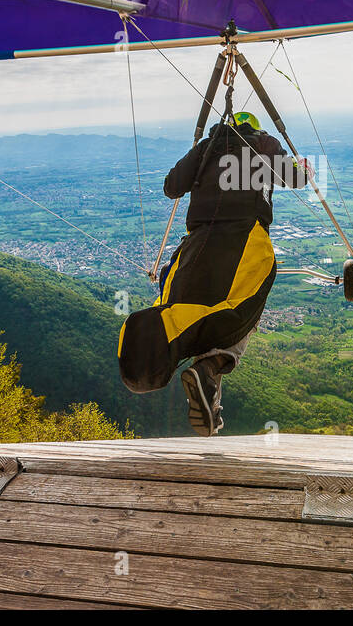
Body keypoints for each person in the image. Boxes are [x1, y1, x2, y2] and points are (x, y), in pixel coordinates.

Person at [118, 111, 311, 435]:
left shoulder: (207, 147)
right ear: (253, 128)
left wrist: (199, 156)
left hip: (195, 247)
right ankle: (211, 366)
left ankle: (209, 410)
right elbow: (297, 179)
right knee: (241, 312)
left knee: (187, 311)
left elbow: (171, 187)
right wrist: (303, 165)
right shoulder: (263, 143)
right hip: (243, 239)